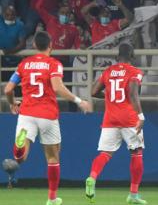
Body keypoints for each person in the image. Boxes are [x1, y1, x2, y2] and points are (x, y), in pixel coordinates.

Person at [3, 31, 92, 205]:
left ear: (34, 45)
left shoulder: (23, 64)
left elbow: (7, 89)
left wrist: (13, 103)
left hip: (26, 114)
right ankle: (52, 198)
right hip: (47, 115)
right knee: (53, 157)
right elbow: (58, 88)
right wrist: (79, 100)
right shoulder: (54, 64)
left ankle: (20, 146)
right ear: (50, 45)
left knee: (21, 158)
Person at [86, 43, 147, 204]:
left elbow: (93, 92)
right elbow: (133, 94)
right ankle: (133, 195)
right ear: (132, 57)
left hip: (110, 119)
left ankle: (92, 177)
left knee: (105, 154)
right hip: (129, 119)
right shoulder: (135, 72)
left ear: (116, 57)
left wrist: (108, 97)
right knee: (136, 152)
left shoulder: (108, 72)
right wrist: (141, 116)